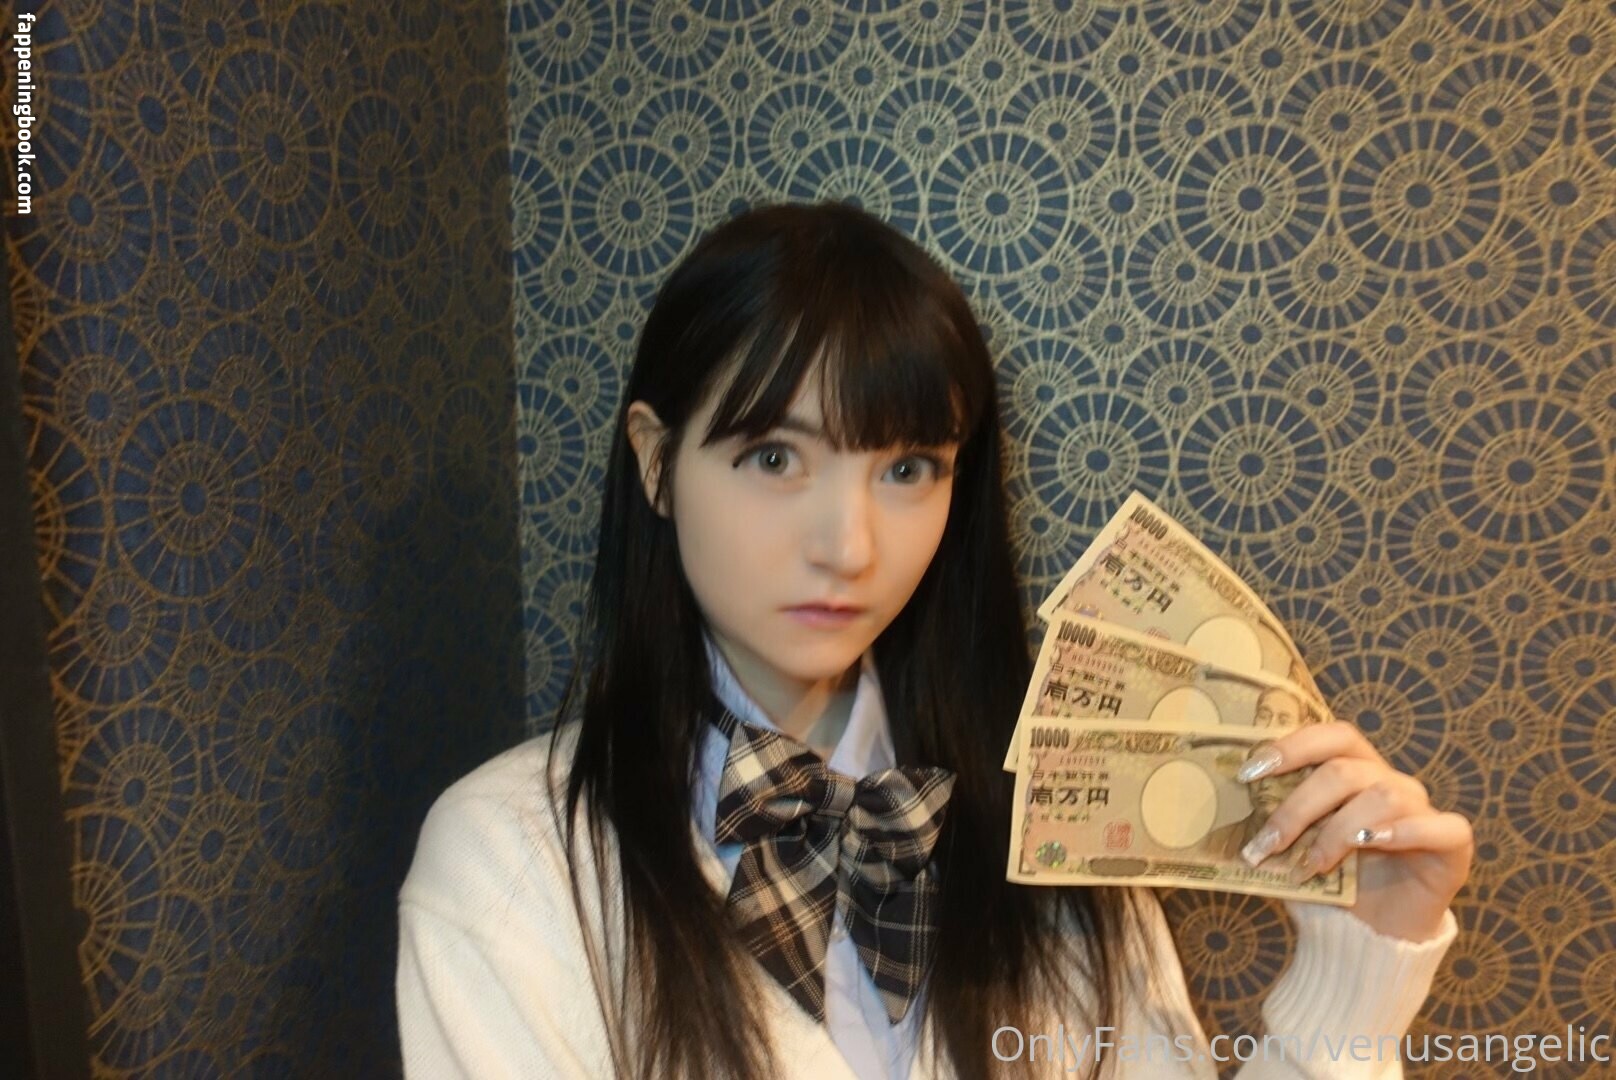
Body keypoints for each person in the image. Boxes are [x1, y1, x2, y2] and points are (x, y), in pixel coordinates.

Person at [396, 203, 1472, 1079]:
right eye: (773, 457)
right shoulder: (509, 867)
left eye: (908, 468)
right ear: (654, 461)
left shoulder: (1053, 830)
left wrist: (1361, 967)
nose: (848, 546)